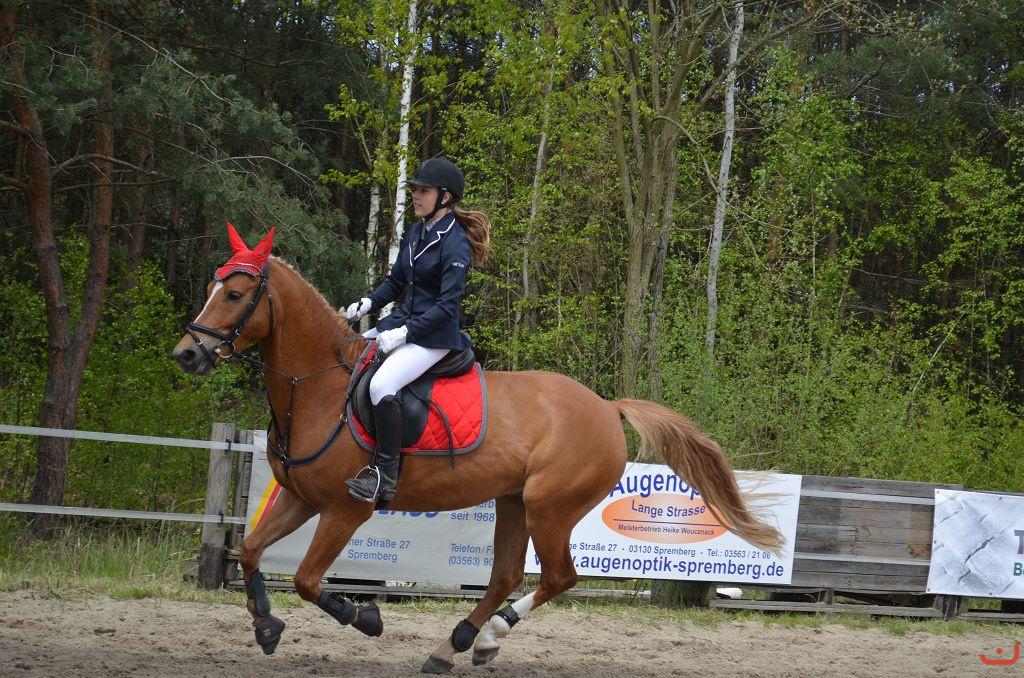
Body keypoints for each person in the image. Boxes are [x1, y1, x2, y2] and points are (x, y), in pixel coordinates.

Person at [343, 157, 491, 503]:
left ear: (445, 197)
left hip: (435, 336)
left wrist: (405, 333)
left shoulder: (455, 242)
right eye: (414, 190)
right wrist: (368, 303)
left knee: (382, 384)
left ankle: (384, 476)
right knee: (350, 354)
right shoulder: (416, 232)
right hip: (404, 325)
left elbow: (447, 306)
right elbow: (396, 282)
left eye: (423, 191)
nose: (416, 196)